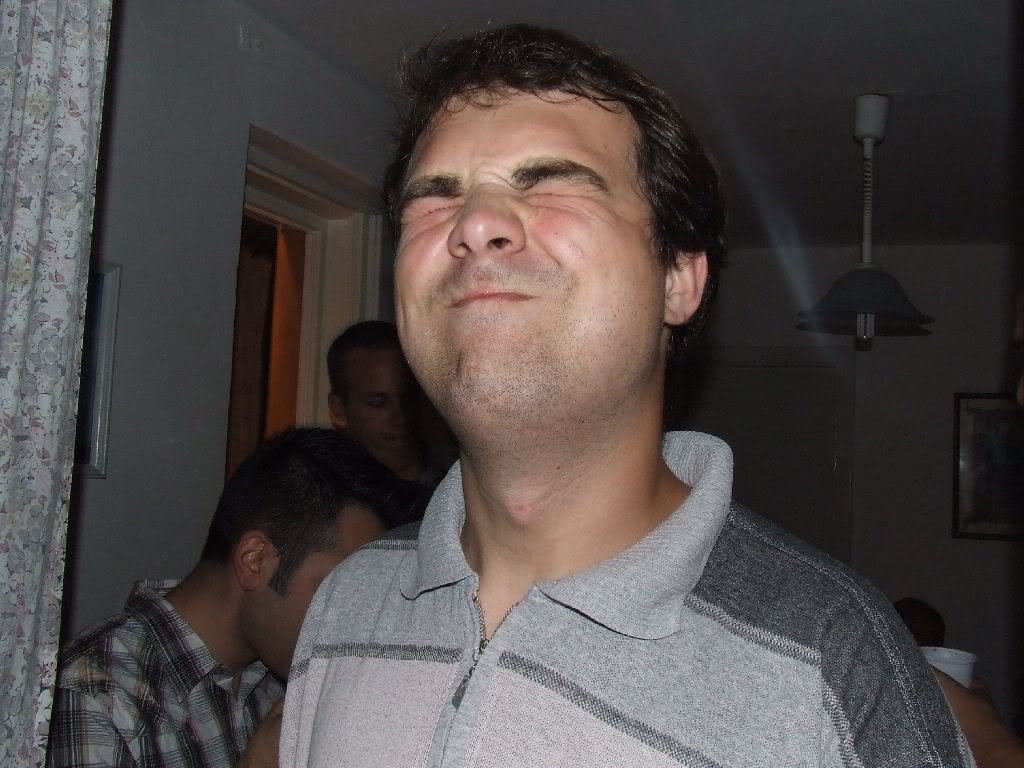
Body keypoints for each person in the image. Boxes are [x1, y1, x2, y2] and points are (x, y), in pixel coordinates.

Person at [281, 24, 971, 766]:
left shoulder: (840, 669)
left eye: (551, 182)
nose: (475, 224)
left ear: (678, 279)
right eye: (435, 198)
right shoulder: (344, 605)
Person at [48, 428, 416, 768]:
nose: (356, 621)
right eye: (339, 592)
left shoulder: (280, 682)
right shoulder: (94, 695)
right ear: (255, 561)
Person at [326, 320, 434, 483]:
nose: (402, 417)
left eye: (409, 399)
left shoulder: (458, 484)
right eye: (378, 403)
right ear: (338, 410)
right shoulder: (317, 489)